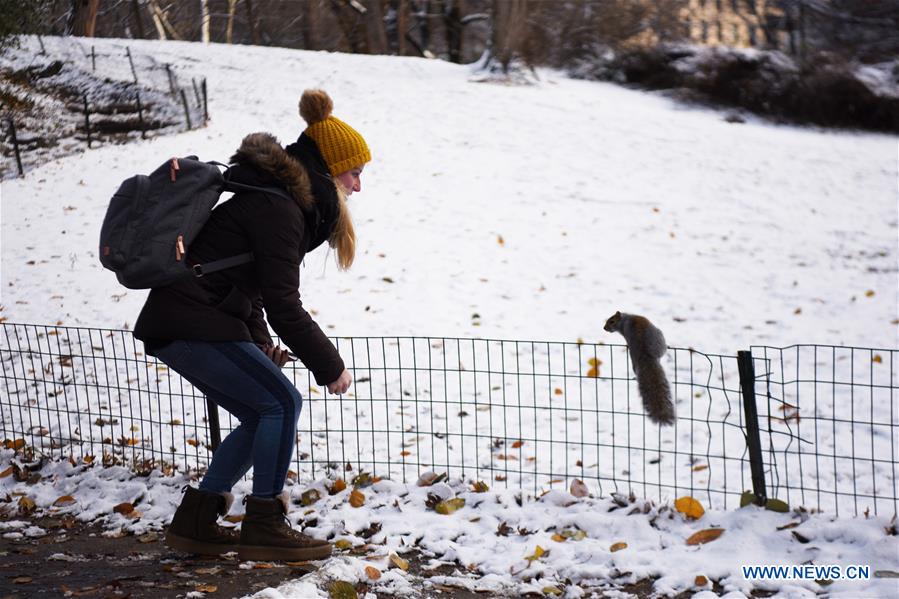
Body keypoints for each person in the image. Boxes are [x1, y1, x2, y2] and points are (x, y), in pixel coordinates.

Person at [133, 89, 370, 562]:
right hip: (189, 323)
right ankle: (265, 522)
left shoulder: (278, 203)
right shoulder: (279, 209)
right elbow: (284, 304)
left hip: (187, 321)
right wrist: (331, 367)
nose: (358, 186)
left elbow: (251, 292)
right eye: (355, 172)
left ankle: (195, 524)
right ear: (328, 169)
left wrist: (260, 346)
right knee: (283, 401)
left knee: (263, 410)